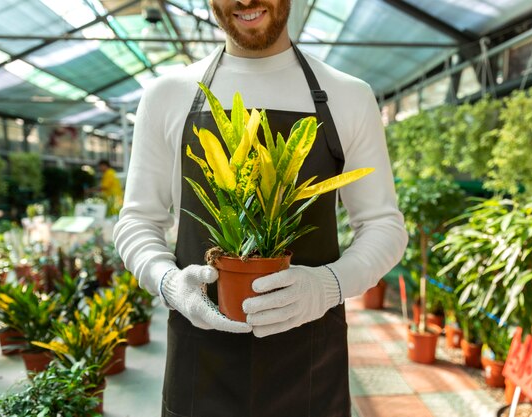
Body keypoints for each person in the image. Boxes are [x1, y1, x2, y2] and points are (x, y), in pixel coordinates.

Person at [114, 0, 408, 415]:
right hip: (201, 364)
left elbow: (384, 226)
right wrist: (168, 283)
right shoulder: (168, 95)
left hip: (309, 362)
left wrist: (329, 286)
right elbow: (137, 221)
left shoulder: (347, 95)